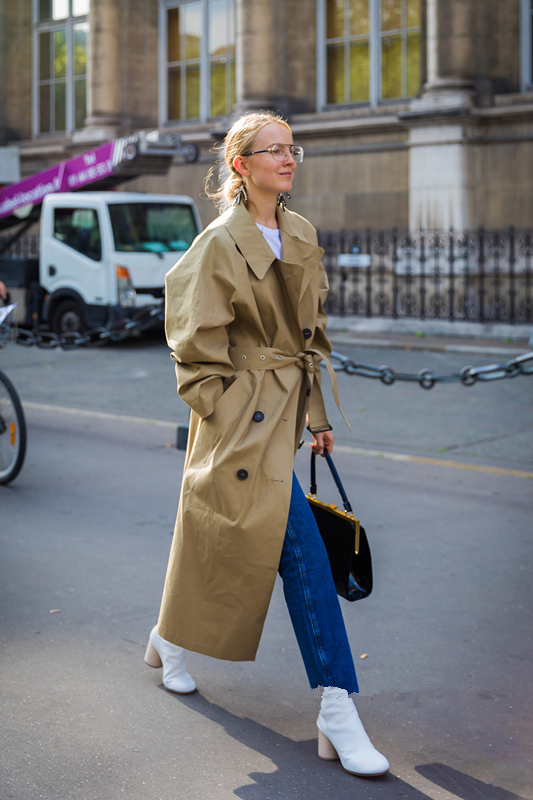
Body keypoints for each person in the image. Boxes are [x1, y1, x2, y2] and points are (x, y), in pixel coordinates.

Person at [144, 112, 389, 778]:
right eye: (273, 150)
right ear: (240, 165)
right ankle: (337, 709)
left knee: (216, 529)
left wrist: (314, 417)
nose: (288, 159)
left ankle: (168, 640)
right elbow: (192, 345)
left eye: (292, 148)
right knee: (297, 550)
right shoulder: (220, 242)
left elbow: (308, 338)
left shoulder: (301, 233)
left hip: (282, 415)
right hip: (239, 418)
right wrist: (223, 411)